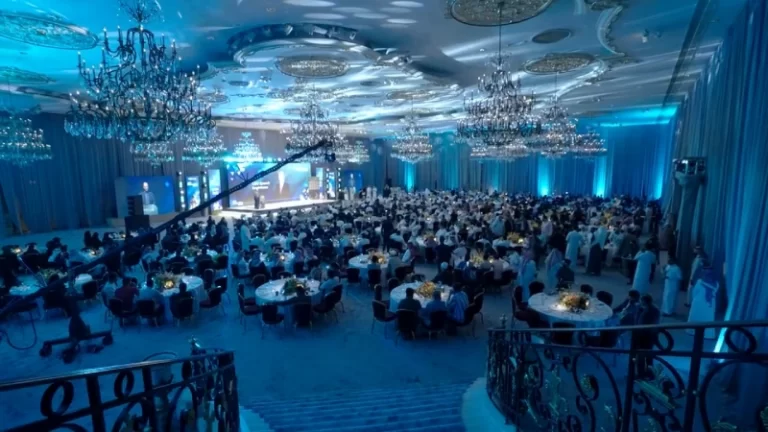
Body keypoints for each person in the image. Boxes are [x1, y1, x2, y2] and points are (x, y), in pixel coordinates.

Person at [633, 294, 660, 379]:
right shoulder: (655, 309)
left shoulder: (646, 311)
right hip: (650, 335)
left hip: (644, 335)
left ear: (644, 301)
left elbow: (640, 322)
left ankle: (641, 374)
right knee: (648, 356)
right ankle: (649, 373)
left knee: (640, 356)